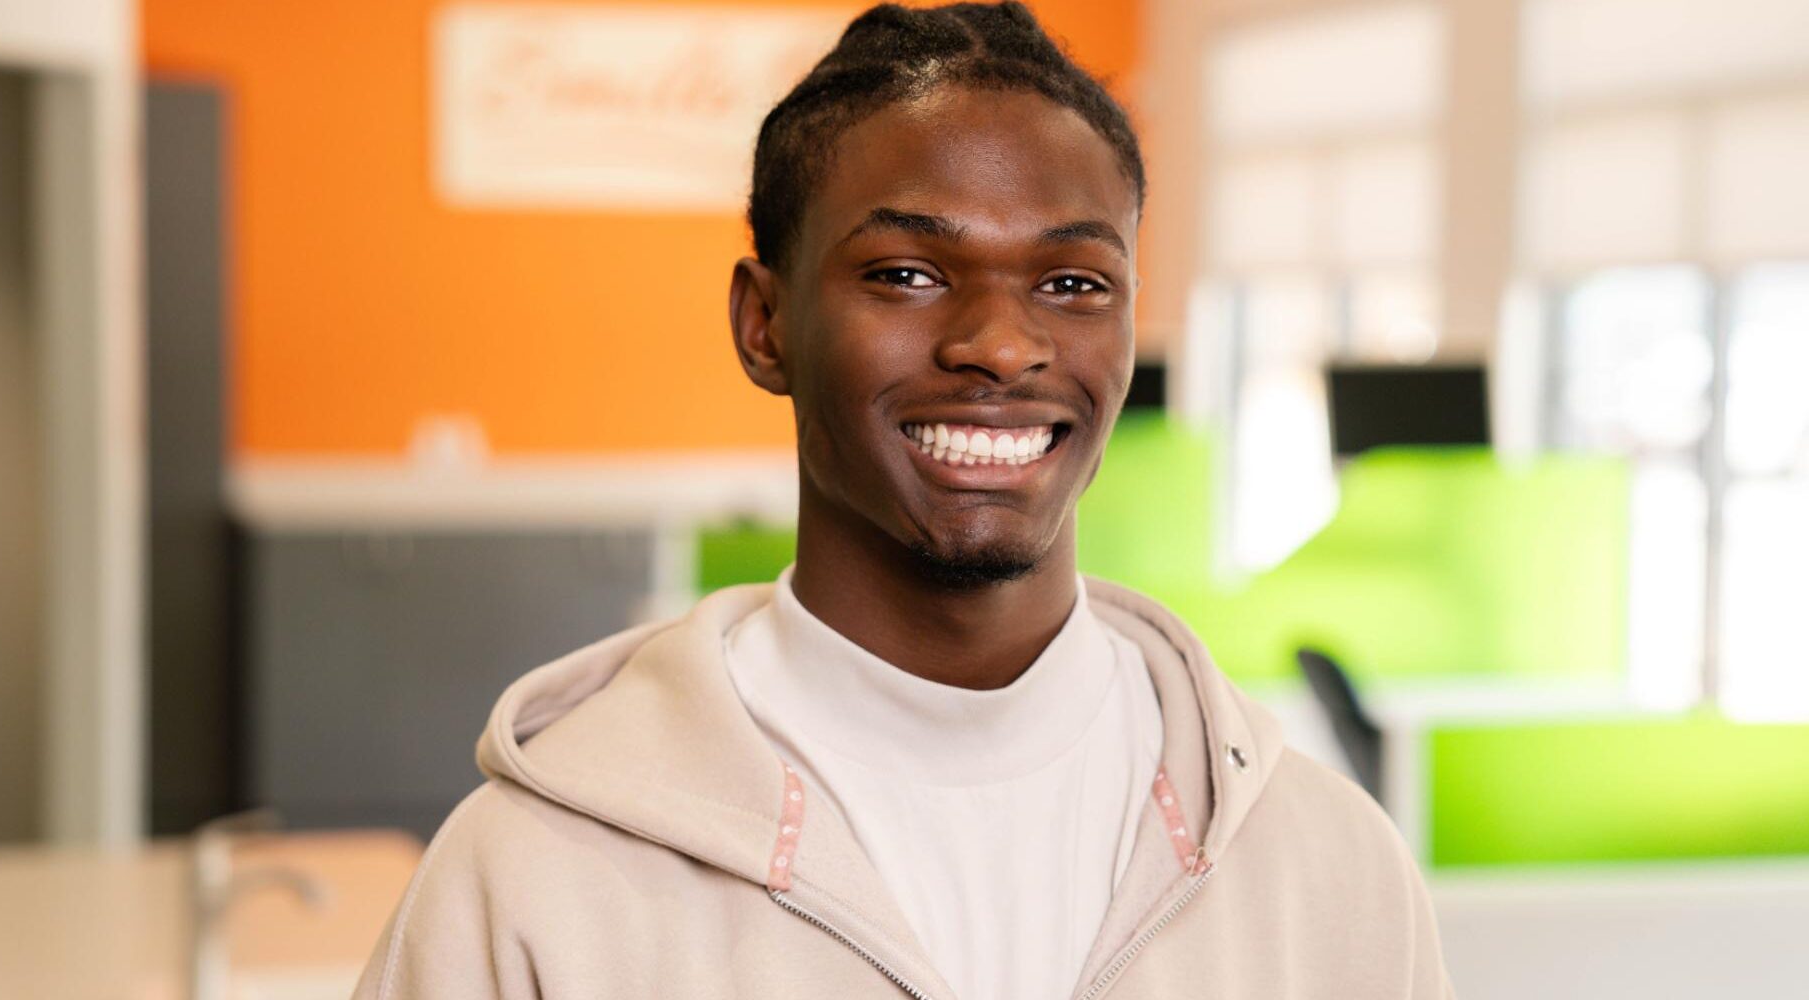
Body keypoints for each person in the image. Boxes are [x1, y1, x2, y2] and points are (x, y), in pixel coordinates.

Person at [353, 3, 1454, 997]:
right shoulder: (532, 879)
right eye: (905, 274)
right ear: (763, 323)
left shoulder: (1324, 866)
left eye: (1071, 284)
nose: (1000, 345)